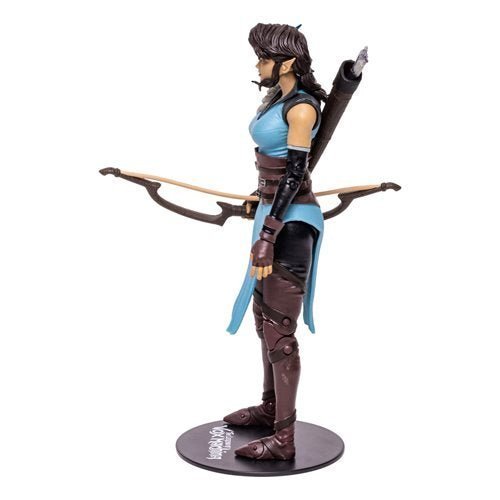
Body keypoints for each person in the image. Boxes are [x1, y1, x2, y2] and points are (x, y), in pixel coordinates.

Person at [224, 23, 329, 460]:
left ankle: (284, 440)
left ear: (286, 63)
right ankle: (270, 409)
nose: (258, 65)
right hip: (271, 213)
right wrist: (259, 197)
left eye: (263, 58)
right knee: (263, 318)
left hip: (290, 225)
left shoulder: (301, 110)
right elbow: (276, 168)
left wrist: (269, 233)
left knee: (280, 333)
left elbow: (295, 175)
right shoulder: (278, 100)